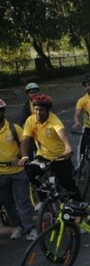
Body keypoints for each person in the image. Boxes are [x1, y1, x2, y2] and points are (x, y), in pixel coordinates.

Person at [19, 94, 80, 200]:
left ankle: (81, 210)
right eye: (36, 109)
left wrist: (68, 148)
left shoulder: (54, 121)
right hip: (43, 156)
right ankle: (44, 201)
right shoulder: (30, 120)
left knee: (69, 186)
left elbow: (62, 134)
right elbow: (25, 140)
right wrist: (24, 156)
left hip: (60, 157)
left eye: (41, 110)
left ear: (47, 110)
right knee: (30, 171)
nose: (38, 112)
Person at [0, 99, 37, 241]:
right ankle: (17, 226)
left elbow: (24, 142)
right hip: (1, 174)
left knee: (23, 201)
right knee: (7, 202)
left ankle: (30, 228)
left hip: (18, 171)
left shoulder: (14, 128)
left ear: (3, 112)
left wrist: (22, 156)